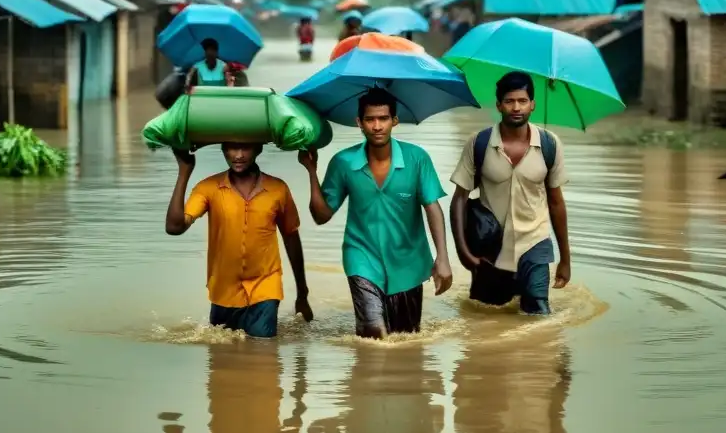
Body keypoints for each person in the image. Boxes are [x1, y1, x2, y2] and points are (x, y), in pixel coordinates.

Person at [298, 88, 453, 338]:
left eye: (383, 118)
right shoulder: (344, 162)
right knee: (373, 331)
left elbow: (432, 207)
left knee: (405, 338)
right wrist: (311, 172)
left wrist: (442, 258)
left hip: (409, 262)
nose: (377, 126)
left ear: (395, 121)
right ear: (359, 122)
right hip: (362, 257)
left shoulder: (417, 159)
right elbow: (321, 215)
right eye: (370, 119)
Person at [449, 70, 571, 314]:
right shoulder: (479, 143)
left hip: (535, 242)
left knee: (538, 313)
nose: (516, 107)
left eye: (522, 101)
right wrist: (464, 254)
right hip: (490, 248)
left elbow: (556, 203)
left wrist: (565, 260)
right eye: (509, 101)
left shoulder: (550, 144)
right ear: (499, 105)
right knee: (486, 318)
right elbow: (459, 201)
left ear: (533, 105)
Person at [165, 142, 314, 338]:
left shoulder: (278, 189)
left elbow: (291, 237)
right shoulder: (208, 188)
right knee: (223, 360)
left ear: (259, 148)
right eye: (232, 148)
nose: (239, 155)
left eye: (246, 147)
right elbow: (174, 227)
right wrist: (184, 172)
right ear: (223, 150)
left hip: (265, 286)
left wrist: (302, 293)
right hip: (223, 290)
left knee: (264, 351)